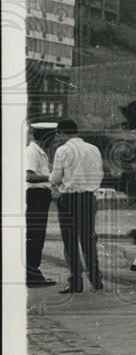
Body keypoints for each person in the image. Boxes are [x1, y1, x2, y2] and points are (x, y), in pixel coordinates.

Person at [49, 119, 104, 293]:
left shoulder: (63, 150)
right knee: (88, 240)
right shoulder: (93, 149)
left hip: (69, 200)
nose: (57, 138)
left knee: (70, 242)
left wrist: (52, 180)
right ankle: (96, 279)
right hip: (89, 198)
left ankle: (76, 281)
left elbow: (56, 178)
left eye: (58, 134)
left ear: (62, 133)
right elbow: (99, 174)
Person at [25, 123, 56, 286]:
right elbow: (28, 177)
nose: (53, 141)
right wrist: (51, 177)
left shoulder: (40, 152)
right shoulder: (32, 152)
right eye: (52, 137)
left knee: (38, 236)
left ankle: (33, 272)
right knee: (35, 236)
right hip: (35, 196)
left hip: (41, 196)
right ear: (45, 137)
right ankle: (31, 274)